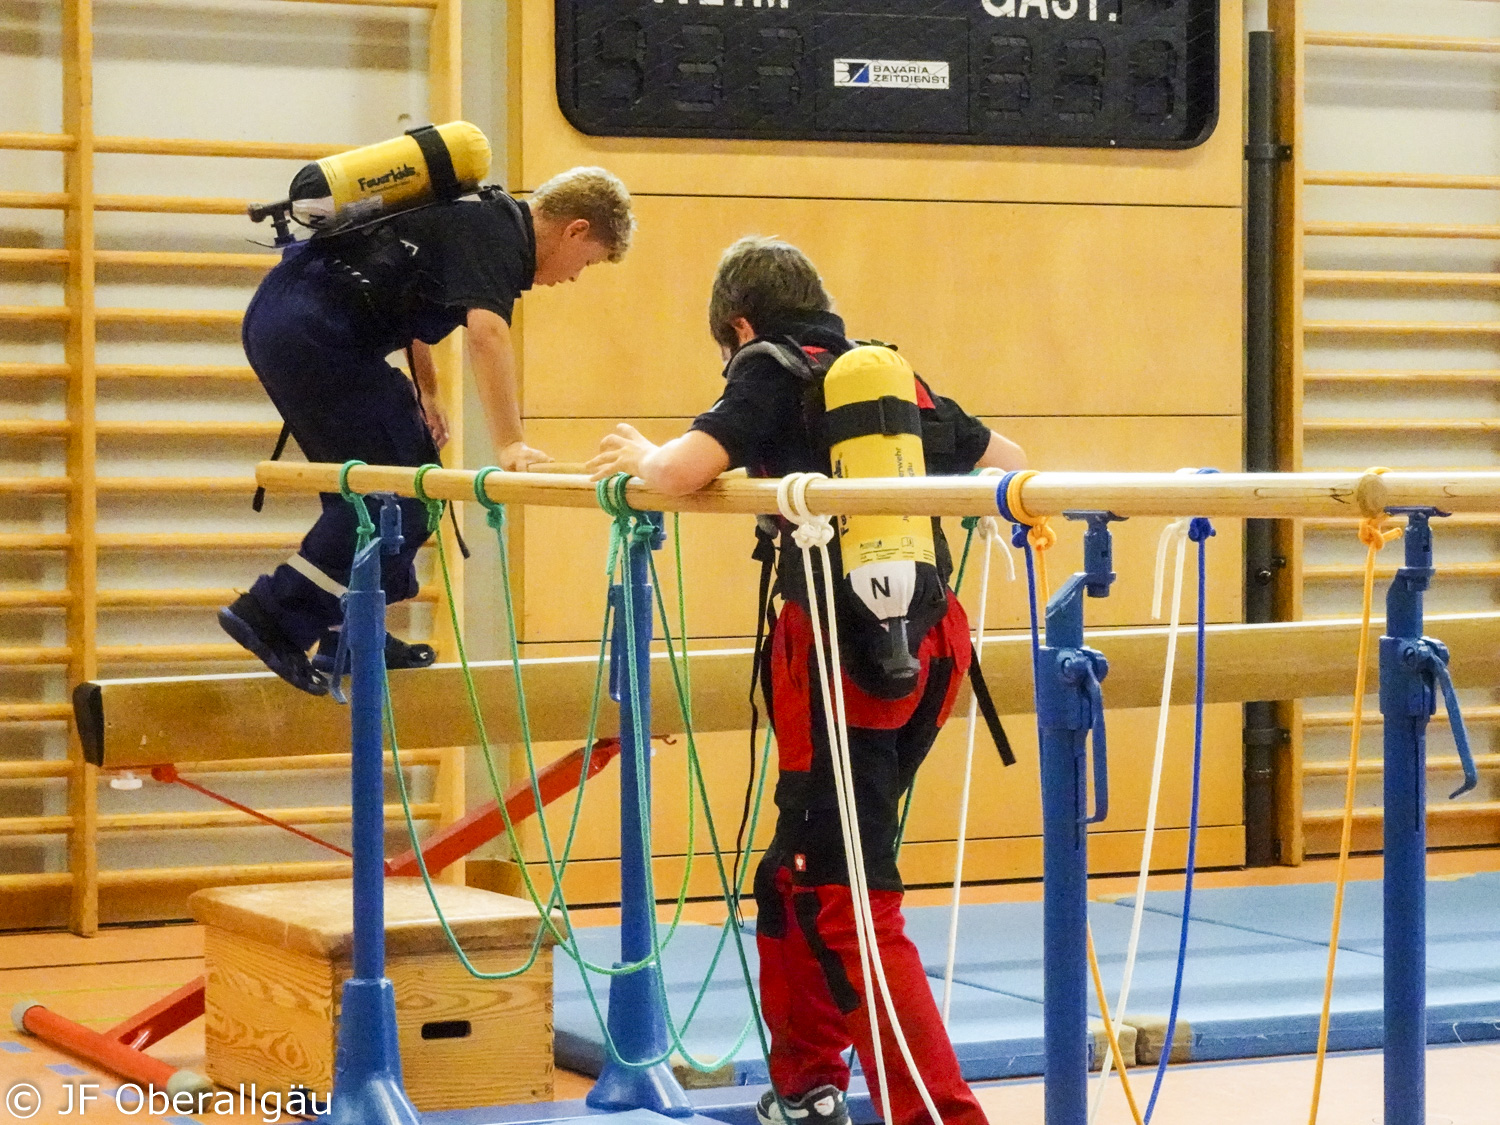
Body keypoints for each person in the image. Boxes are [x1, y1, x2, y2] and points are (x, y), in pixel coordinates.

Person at [586, 236, 1026, 1125]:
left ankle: (939, 1113)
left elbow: (679, 472)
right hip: (932, 641)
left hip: (839, 651)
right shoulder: (884, 379)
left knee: (843, 888)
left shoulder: (769, 364)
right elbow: (1006, 456)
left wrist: (641, 452)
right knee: (793, 874)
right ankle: (806, 1084)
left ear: (740, 323)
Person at [221, 167, 635, 694]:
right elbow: (487, 334)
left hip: (291, 323)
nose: (575, 276)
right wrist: (509, 444)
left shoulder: (477, 218)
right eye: (589, 261)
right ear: (575, 230)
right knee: (397, 500)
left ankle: (350, 632)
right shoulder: (500, 236)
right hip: (315, 334)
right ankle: (271, 617)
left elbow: (414, 307)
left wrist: (428, 393)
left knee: (382, 496)